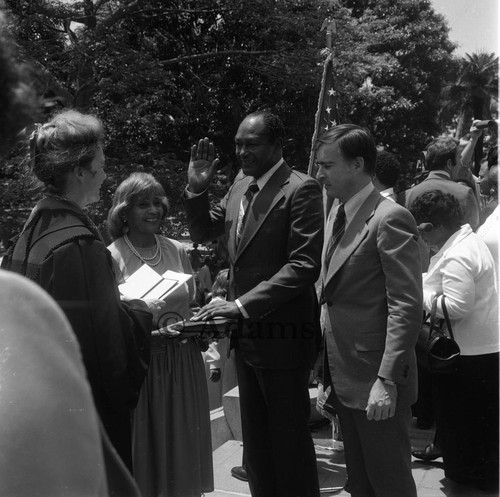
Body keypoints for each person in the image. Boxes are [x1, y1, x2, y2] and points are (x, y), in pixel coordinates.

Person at [1, 109, 152, 471]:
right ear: (80, 171)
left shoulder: (32, 232)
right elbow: (105, 353)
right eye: (99, 167)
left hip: (37, 410)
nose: (104, 175)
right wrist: (139, 312)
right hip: (80, 426)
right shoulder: (79, 245)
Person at [183, 111, 324, 497]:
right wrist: (197, 191)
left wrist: (241, 304)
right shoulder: (239, 186)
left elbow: (304, 265)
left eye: (252, 144)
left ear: (277, 145)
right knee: (257, 442)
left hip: (284, 335)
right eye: (238, 144)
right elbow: (203, 232)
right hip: (245, 335)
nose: (242, 151)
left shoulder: (301, 189)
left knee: (289, 440)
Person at [315, 124, 422, 497]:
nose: (319, 174)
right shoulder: (338, 212)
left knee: (389, 483)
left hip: (376, 382)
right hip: (345, 376)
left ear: (358, 164)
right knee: (360, 483)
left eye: (328, 165)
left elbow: (406, 306)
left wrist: (387, 380)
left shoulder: (389, 217)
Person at [107, 172, 213, 497]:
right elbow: (111, 321)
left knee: (182, 444)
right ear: (124, 211)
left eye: (157, 203)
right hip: (144, 367)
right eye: (143, 204)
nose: (153, 210)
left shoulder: (177, 250)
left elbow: (191, 302)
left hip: (183, 363)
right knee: (147, 452)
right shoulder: (111, 256)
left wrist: (203, 321)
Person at [409, 190, 499, 492]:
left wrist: (422, 293)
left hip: (467, 354)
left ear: (432, 226)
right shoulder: (468, 241)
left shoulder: (459, 254)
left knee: (463, 422)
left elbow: (458, 306)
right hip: (481, 349)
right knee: (479, 424)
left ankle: (466, 480)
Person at [404, 136, 480, 230]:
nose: (461, 164)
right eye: (459, 159)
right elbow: (473, 232)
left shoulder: (407, 195)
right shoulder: (465, 193)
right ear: (449, 164)